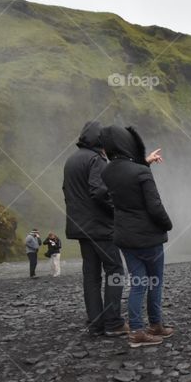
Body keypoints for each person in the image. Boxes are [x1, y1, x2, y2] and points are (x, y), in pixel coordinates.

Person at [100, 124, 174, 348]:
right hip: (149, 238)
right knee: (156, 282)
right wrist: (167, 224)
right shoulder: (141, 173)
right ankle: (155, 325)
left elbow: (126, 177)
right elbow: (154, 206)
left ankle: (136, 331)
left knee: (139, 283)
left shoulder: (107, 171)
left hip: (125, 237)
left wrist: (145, 162)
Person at [63, 121, 129, 337]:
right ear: (99, 140)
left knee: (91, 276)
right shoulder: (96, 159)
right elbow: (99, 191)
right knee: (115, 270)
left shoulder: (71, 161)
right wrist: (116, 211)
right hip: (100, 228)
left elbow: (67, 192)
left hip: (81, 228)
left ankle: (96, 323)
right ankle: (114, 323)